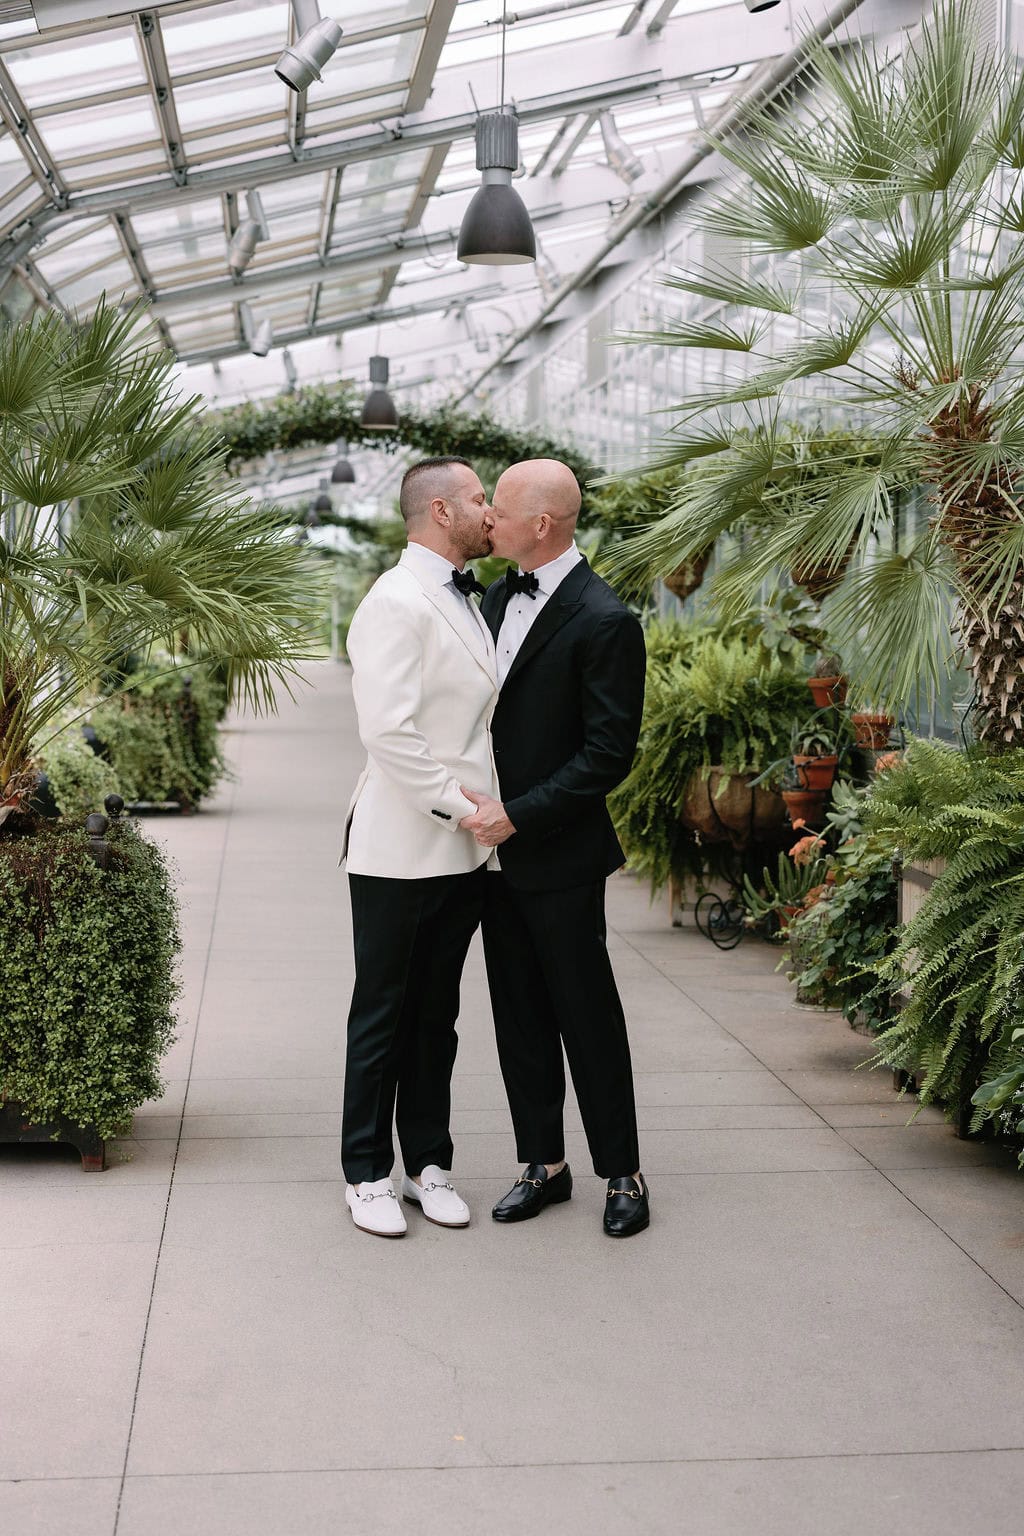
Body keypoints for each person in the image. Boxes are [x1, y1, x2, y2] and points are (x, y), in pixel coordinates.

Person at [462, 458, 650, 1238]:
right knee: (518, 1016)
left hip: (558, 855)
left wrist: (522, 815)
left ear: (541, 525)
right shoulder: (496, 597)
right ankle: (542, 1163)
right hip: (489, 854)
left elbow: (608, 754)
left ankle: (623, 1173)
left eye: (497, 509)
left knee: (586, 1015)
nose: (486, 521)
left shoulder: (606, 620)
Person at [340, 456, 498, 1239]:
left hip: (465, 854)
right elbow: (388, 732)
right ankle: (366, 1174)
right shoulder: (394, 601)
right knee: (383, 1015)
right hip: (401, 848)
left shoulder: (463, 598)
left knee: (438, 1016)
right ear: (440, 511)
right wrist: (461, 807)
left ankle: (428, 1165)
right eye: (478, 498)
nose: (490, 508)